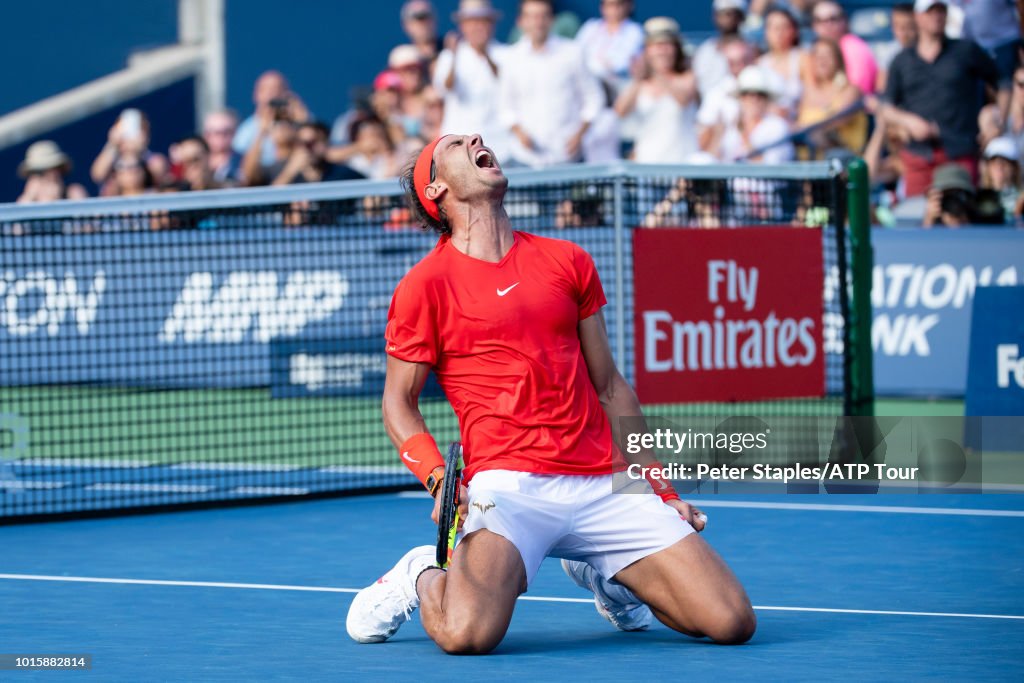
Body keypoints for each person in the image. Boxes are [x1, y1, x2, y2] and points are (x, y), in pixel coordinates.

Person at [345, 132, 756, 652]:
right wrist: (437, 480)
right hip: (509, 488)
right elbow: (398, 404)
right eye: (454, 144)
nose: (475, 138)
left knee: (730, 622)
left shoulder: (567, 261)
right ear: (438, 190)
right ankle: (423, 573)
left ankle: (608, 575)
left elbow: (610, 388)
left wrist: (659, 488)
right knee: (466, 635)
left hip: (603, 480)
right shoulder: (424, 286)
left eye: (474, 136)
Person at [878, 0, 1001, 197]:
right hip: (919, 155)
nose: (936, 16)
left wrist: (994, 112)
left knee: (961, 216)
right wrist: (908, 121)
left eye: (941, 11)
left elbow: (1001, 83)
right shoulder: (902, 60)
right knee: (917, 218)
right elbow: (886, 106)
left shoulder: (966, 51)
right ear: (918, 17)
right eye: (930, 12)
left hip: (960, 151)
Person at [498, 0, 604, 167]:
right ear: (521, 22)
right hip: (524, 159)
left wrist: (580, 134)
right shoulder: (511, 58)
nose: (538, 23)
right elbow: (505, 106)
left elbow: (594, 97)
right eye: (532, 17)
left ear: (552, 20)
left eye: (543, 16)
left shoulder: (572, 53)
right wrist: (519, 133)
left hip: (567, 157)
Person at [433, 0, 510, 161]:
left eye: (483, 21)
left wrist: (485, 55)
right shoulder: (449, 56)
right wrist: (454, 57)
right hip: (460, 148)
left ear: (492, 24)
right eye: (472, 22)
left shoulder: (506, 54)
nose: (478, 27)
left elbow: (507, 83)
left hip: (499, 147)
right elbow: (445, 88)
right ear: (462, 26)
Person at [615, 17, 699, 164]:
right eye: (655, 45)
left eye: (667, 45)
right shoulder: (639, 84)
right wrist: (638, 79)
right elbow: (619, 111)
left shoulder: (687, 77)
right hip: (646, 164)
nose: (661, 51)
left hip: (681, 164)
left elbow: (684, 99)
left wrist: (656, 72)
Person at [796, 38, 867, 157]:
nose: (822, 61)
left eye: (828, 55)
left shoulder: (850, 90)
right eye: (817, 56)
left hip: (844, 160)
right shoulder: (807, 93)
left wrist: (807, 130)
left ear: (838, 60)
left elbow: (839, 119)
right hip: (807, 164)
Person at [716, 66, 794, 163]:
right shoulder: (731, 128)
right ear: (741, 98)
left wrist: (744, 135)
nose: (754, 99)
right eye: (747, 94)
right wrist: (717, 132)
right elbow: (719, 160)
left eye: (760, 95)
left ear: (767, 99)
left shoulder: (777, 127)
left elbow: (771, 167)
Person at [232, 71, 310, 168]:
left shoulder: (301, 122)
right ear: (256, 95)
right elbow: (242, 168)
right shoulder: (246, 131)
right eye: (266, 90)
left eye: (278, 89)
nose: (273, 94)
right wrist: (262, 133)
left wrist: (303, 122)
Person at [696, 37, 756, 154]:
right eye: (733, 63)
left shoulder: (771, 82)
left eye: (745, 60)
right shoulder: (716, 93)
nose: (740, 66)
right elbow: (704, 135)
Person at [90, 109, 169, 194]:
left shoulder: (153, 160)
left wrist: (137, 150)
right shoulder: (111, 160)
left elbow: (158, 171)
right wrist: (112, 144)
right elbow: (97, 175)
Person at [574, 0, 645, 95]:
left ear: (629, 6)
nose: (614, 9)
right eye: (609, 5)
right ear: (602, 7)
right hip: (585, 82)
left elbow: (622, 63)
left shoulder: (635, 31)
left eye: (618, 4)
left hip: (616, 85)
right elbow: (575, 53)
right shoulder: (590, 27)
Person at [809, 0, 878, 96]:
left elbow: (859, 91)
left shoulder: (854, 48)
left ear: (844, 21)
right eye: (820, 21)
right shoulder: (815, 48)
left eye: (833, 19)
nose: (827, 25)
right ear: (814, 25)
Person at [272, 121, 365, 185]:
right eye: (302, 143)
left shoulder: (342, 173)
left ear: (325, 143)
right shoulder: (286, 174)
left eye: (313, 143)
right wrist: (290, 172)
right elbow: (269, 200)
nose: (308, 149)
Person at [756, 6, 806, 119]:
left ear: (794, 31)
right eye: (774, 28)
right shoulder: (759, 63)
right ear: (766, 32)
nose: (779, 33)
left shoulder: (803, 58)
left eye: (784, 27)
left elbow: (813, 94)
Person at [692, 0, 748, 98]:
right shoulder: (705, 51)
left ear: (741, 17)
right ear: (715, 17)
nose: (727, 19)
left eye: (731, 14)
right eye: (722, 14)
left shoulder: (752, 50)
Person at [16, 141, 87, 203]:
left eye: (46, 170)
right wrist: (30, 197)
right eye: (37, 172)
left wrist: (57, 201)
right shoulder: (26, 200)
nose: (46, 177)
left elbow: (86, 215)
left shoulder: (74, 193)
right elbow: (18, 215)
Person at [874, 3, 918, 92]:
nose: (902, 33)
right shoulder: (888, 53)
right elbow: (881, 89)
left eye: (909, 27)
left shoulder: (927, 52)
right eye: (896, 26)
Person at [980, 136, 1022, 223]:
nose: (999, 167)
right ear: (988, 168)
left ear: (1014, 168)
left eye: (1005, 162)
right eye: (994, 162)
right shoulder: (979, 199)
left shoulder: (1021, 198)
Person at [202, 110, 243, 186]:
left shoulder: (245, 162)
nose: (222, 137)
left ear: (235, 133)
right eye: (217, 132)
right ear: (206, 135)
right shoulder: (199, 163)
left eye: (227, 132)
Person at [400, 0, 442, 67]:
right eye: (418, 18)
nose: (423, 24)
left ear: (435, 20)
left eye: (427, 17)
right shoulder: (401, 65)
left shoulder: (454, 52)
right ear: (405, 25)